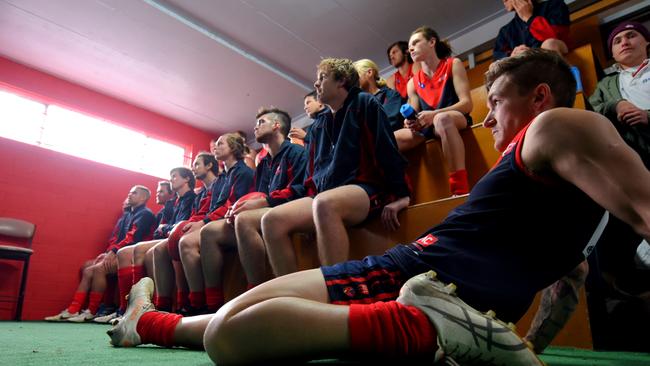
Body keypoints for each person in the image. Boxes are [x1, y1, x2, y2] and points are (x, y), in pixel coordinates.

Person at [108, 49, 650, 365]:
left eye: (498, 102)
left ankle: (431, 325)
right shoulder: (571, 196)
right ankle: (146, 323)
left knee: (231, 335)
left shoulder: (557, 124)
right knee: (240, 310)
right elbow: (570, 275)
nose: (487, 118)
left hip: (427, 275)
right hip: (427, 277)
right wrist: (526, 345)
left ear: (538, 99)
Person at [523, 21, 650, 353]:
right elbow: (592, 111)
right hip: (631, 163)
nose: (624, 42)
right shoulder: (608, 84)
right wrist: (615, 105)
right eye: (617, 39)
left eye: (631, 35)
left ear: (646, 43)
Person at [260, 57, 411, 277]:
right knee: (271, 220)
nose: (316, 84)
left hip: (365, 188)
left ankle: (335, 290)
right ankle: (292, 292)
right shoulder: (320, 123)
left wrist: (402, 194)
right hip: (325, 196)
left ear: (341, 81)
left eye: (322, 78)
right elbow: (314, 173)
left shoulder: (365, 103)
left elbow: (386, 151)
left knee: (324, 204)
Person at [194, 107, 307, 313]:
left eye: (261, 122)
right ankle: (212, 306)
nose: (255, 126)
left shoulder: (298, 152)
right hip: (269, 210)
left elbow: (302, 190)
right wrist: (240, 206)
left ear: (276, 125)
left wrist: (263, 201)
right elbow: (257, 195)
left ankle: (255, 294)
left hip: (291, 208)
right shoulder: (263, 163)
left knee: (245, 220)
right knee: (209, 232)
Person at [96, 168, 197, 323]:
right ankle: (126, 309)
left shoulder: (190, 198)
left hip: (179, 238)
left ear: (186, 179)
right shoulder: (174, 203)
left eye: (174, 177)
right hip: (166, 237)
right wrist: (165, 229)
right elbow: (160, 231)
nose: (171, 180)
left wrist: (165, 229)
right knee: (122, 254)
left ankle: (141, 308)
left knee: (137, 250)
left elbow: (180, 226)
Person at [45, 186, 155, 322]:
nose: (129, 195)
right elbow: (118, 239)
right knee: (88, 270)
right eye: (129, 192)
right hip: (121, 253)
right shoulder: (129, 215)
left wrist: (113, 252)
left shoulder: (145, 213)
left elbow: (133, 237)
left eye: (134, 193)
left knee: (98, 269)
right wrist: (109, 252)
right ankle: (73, 310)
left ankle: (92, 310)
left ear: (143, 198)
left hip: (134, 256)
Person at [178, 133, 254, 315]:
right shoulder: (223, 177)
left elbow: (233, 204)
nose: (215, 147)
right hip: (219, 220)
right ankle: (196, 301)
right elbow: (216, 207)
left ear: (234, 148)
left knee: (193, 239)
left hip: (235, 220)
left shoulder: (243, 172)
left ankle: (213, 303)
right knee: (184, 241)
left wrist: (204, 222)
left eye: (220, 144)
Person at [395, 26, 473, 196]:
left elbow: (467, 104)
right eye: (409, 46)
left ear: (432, 42)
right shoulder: (412, 83)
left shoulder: (453, 64)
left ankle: (459, 189)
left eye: (416, 42)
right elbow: (414, 112)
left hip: (455, 118)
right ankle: (400, 193)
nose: (411, 48)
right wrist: (409, 122)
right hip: (428, 126)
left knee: (442, 119)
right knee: (391, 138)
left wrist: (435, 114)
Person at [151, 153, 220, 312]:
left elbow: (221, 207)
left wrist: (201, 222)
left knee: (183, 241)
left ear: (209, 165)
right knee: (158, 250)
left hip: (213, 223)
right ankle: (163, 306)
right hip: (199, 223)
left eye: (197, 164)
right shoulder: (200, 193)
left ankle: (198, 302)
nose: (193, 168)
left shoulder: (220, 182)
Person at [494, 0, 570, 60]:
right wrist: (513, 56)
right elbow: (498, 57)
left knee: (549, 44)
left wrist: (529, 18)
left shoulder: (554, 6)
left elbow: (555, 36)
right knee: (494, 66)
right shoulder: (505, 31)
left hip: (558, 55)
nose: (503, 0)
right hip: (526, 69)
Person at [354, 59, 403, 131]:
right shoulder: (356, 104)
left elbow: (388, 124)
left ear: (369, 72)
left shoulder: (391, 95)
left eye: (356, 75)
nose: (353, 81)